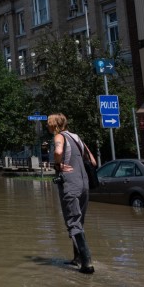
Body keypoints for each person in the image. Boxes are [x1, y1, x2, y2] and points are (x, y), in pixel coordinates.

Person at [47, 113, 97, 274]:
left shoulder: (59, 137)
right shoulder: (76, 137)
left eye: (48, 124)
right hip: (84, 185)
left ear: (54, 125)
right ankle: (77, 258)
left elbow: (58, 151)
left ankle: (87, 262)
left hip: (70, 184)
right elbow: (93, 161)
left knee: (72, 221)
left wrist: (58, 165)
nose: (47, 126)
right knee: (79, 221)